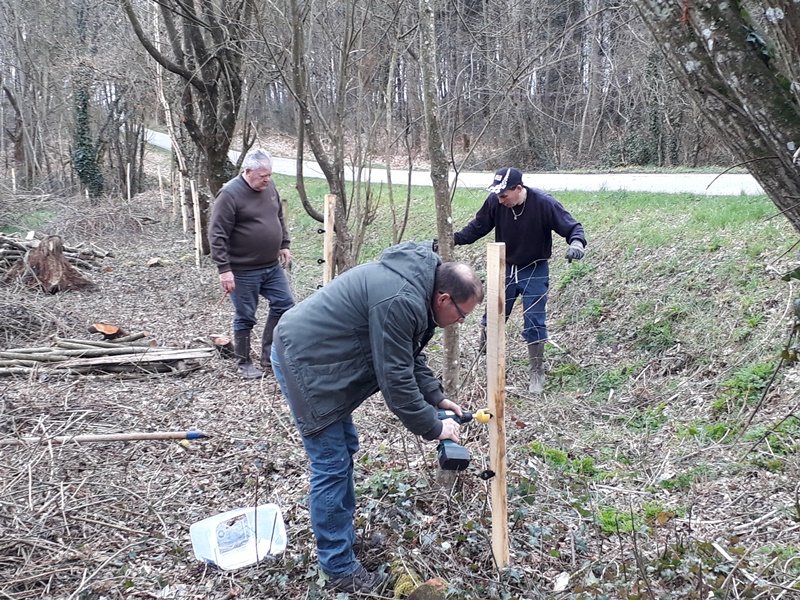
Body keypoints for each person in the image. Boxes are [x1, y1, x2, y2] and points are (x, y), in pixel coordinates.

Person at [270, 241, 483, 593]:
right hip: (304, 361)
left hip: (322, 360)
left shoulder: (415, 289)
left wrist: (437, 397)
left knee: (344, 449)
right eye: (462, 315)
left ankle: (343, 539)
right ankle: (337, 566)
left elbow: (407, 354)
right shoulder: (401, 299)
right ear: (444, 299)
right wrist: (435, 427)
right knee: (331, 463)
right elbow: (395, 380)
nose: (460, 322)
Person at [454, 167, 586, 394]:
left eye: (504, 194)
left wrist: (576, 244)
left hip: (535, 268)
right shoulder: (496, 203)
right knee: (493, 317)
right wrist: (453, 239)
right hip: (503, 266)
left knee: (534, 320)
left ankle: (536, 372)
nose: (500, 199)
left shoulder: (543, 203)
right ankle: (484, 362)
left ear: (518, 188)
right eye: (497, 194)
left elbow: (573, 227)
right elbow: (478, 226)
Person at [209, 148, 295, 378]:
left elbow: (278, 216)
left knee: (285, 304)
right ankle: (243, 362)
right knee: (246, 315)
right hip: (242, 269)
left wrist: (283, 243)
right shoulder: (229, 194)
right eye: (262, 176)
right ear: (247, 172)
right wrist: (224, 270)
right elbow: (217, 234)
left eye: (269, 175)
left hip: (270, 266)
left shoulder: (270, 187)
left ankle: (269, 355)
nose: (267, 180)